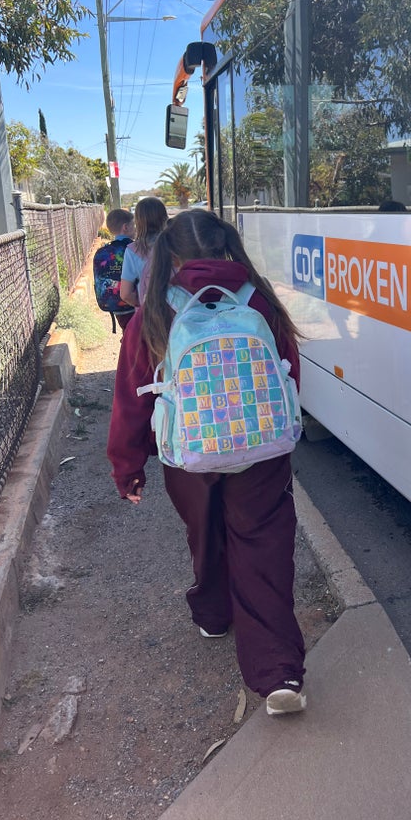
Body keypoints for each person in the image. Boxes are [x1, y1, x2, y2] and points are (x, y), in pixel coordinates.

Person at [106, 209, 307, 716]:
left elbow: (132, 397)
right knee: (262, 542)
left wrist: (128, 465)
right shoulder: (260, 300)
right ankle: (278, 671)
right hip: (261, 449)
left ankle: (215, 613)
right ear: (226, 248)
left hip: (188, 455)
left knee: (206, 531)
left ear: (170, 255)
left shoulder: (156, 310)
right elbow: (288, 376)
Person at [120, 197, 168, 308]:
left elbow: (125, 294)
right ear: (164, 217)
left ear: (138, 221)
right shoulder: (177, 244)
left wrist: (142, 306)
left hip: (151, 315)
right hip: (180, 315)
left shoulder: (133, 250)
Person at [97, 208, 135, 331]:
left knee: (127, 330)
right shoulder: (135, 249)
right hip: (133, 303)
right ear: (126, 227)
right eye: (133, 225)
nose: (136, 228)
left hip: (113, 303)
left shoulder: (102, 252)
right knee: (135, 334)